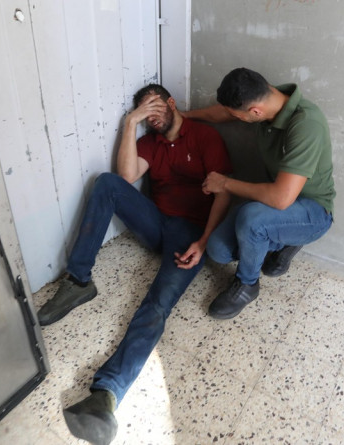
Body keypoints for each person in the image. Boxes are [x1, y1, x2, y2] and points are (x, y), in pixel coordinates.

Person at [37, 84, 232, 444]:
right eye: (144, 111)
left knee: (157, 304)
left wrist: (203, 243)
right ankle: (79, 281)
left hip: (190, 234)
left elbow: (224, 192)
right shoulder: (148, 144)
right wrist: (131, 123)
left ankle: (106, 393)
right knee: (107, 183)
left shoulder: (205, 137)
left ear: (171, 103)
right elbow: (126, 179)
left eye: (155, 106)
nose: (151, 115)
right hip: (156, 223)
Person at [185, 68, 335, 319]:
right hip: (276, 206)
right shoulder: (266, 100)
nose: (236, 119)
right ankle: (280, 239)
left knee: (252, 219)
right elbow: (221, 113)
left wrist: (224, 184)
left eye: (238, 117)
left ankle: (247, 285)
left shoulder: (307, 123)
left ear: (254, 112)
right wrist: (183, 115)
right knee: (218, 250)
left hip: (313, 212)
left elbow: (280, 198)